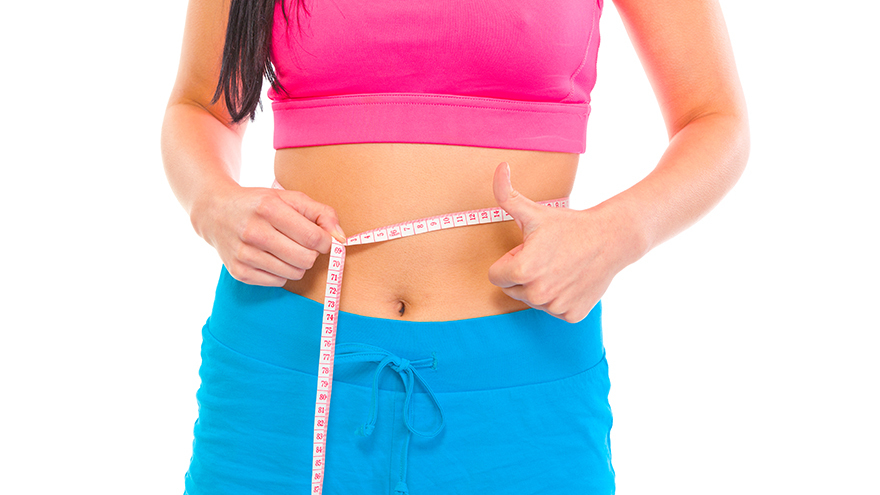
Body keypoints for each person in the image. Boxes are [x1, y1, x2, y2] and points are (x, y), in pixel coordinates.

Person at [161, 0, 748, 493]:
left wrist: (619, 232)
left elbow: (715, 117)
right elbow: (199, 106)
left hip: (523, 378)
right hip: (284, 368)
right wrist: (211, 201)